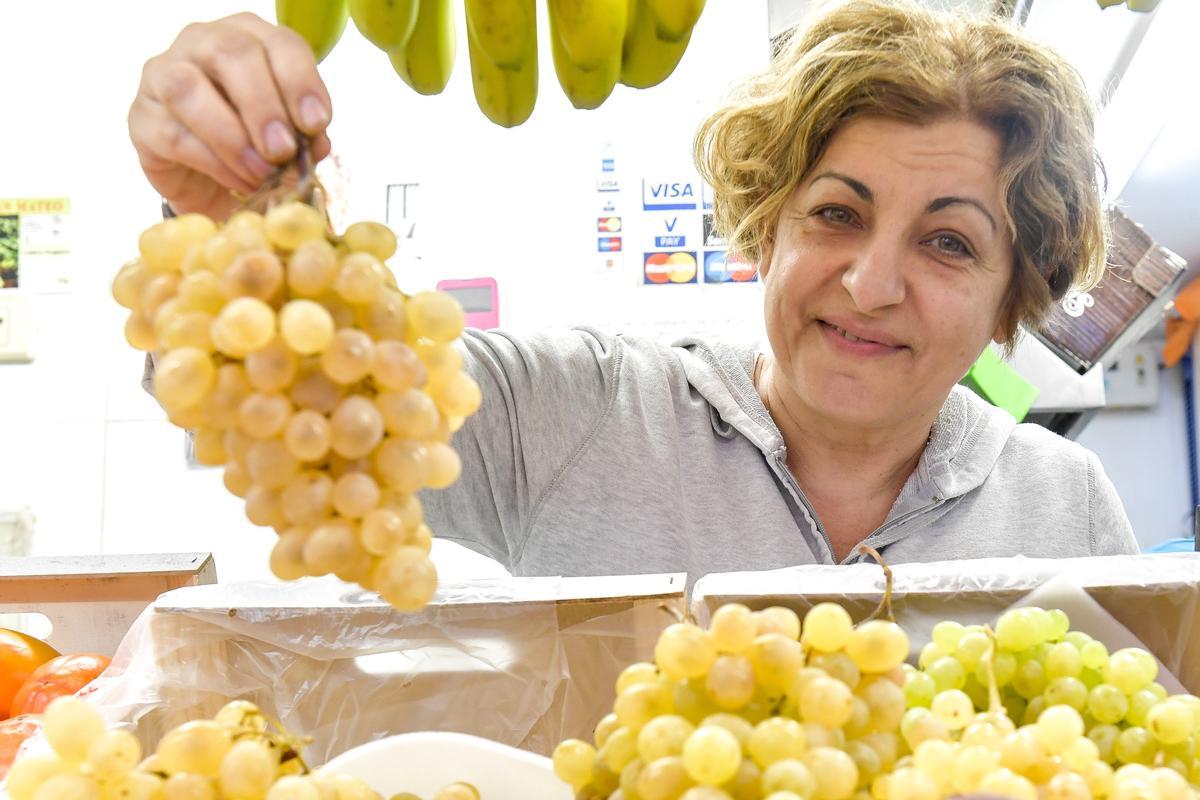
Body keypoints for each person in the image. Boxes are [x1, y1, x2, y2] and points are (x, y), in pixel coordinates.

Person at [128, 0, 1138, 583]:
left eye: (950, 242)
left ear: (1016, 290)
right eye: (836, 212)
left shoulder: (1068, 508)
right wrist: (236, 216)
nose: (871, 283)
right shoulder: (574, 410)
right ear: (765, 222)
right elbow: (302, 399)